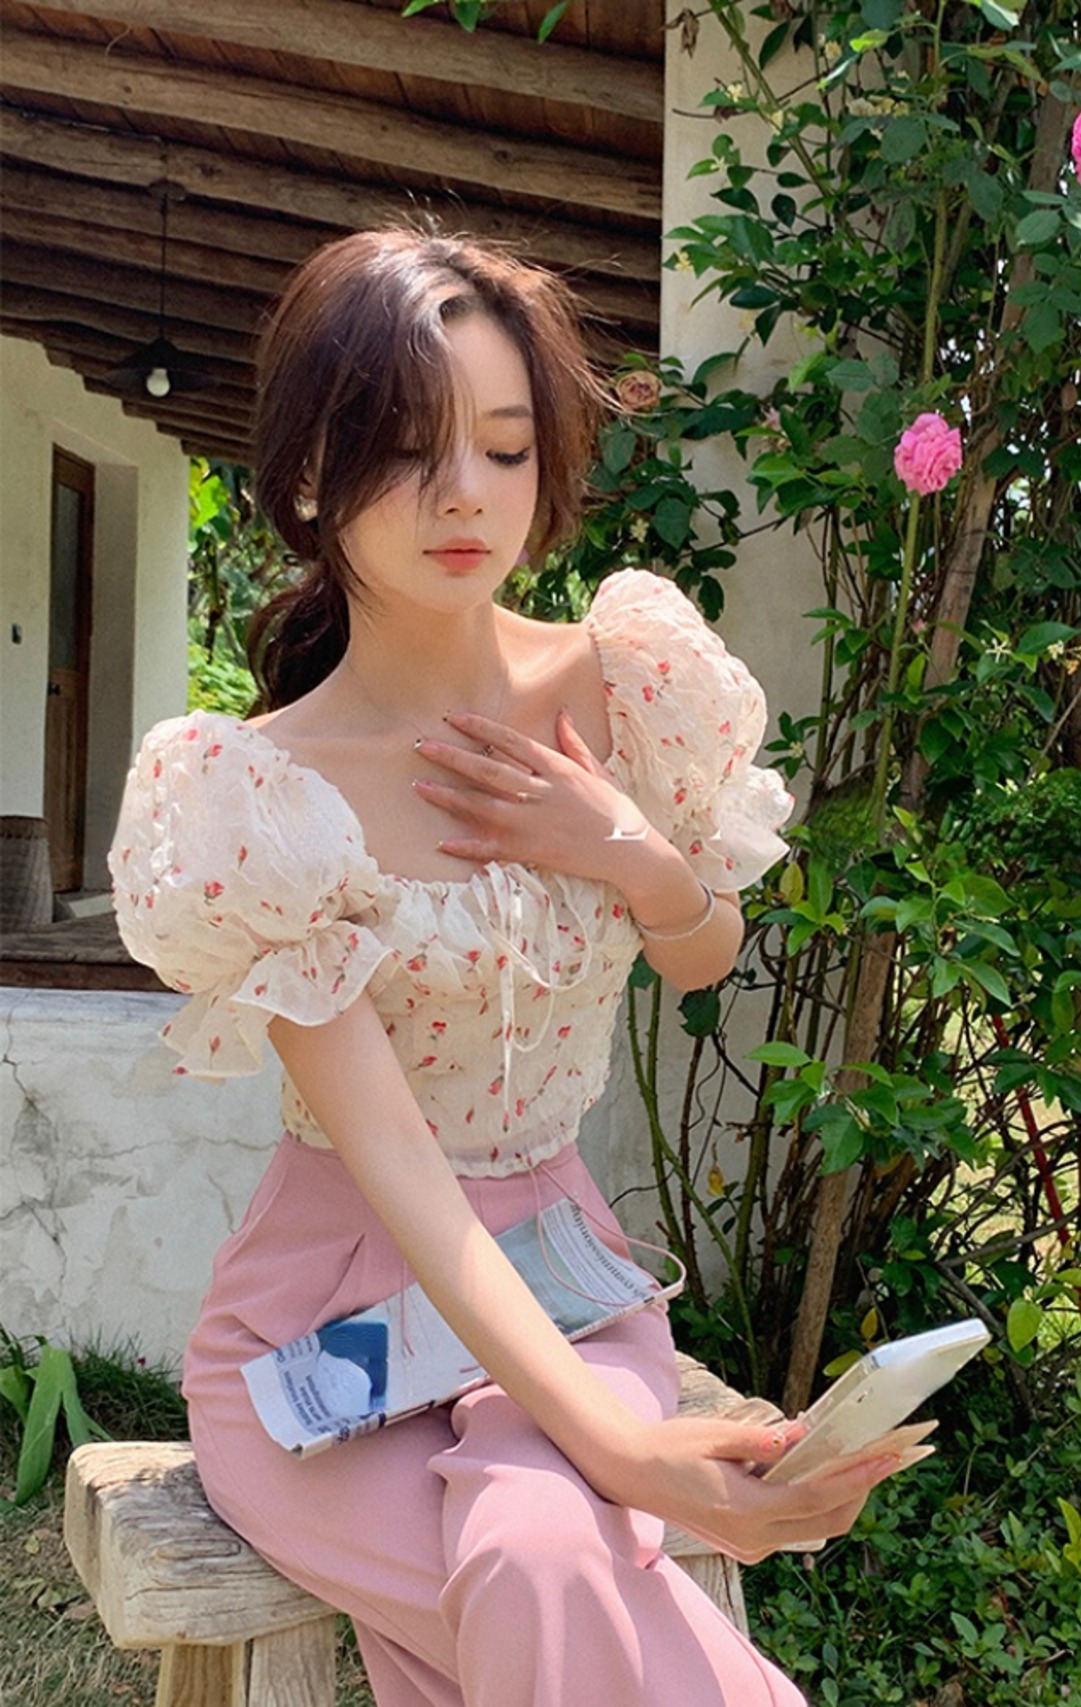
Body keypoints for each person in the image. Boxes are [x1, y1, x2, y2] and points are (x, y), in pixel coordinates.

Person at [110, 228, 924, 1707]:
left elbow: (702, 956)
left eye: (501, 446)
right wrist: (628, 1457)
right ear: (309, 475)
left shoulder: (622, 683)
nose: (464, 494)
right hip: (322, 1329)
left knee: (541, 1567)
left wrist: (624, 849)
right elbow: (404, 1177)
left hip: (564, 1278)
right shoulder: (262, 798)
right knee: (542, 1577)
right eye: (406, 448)